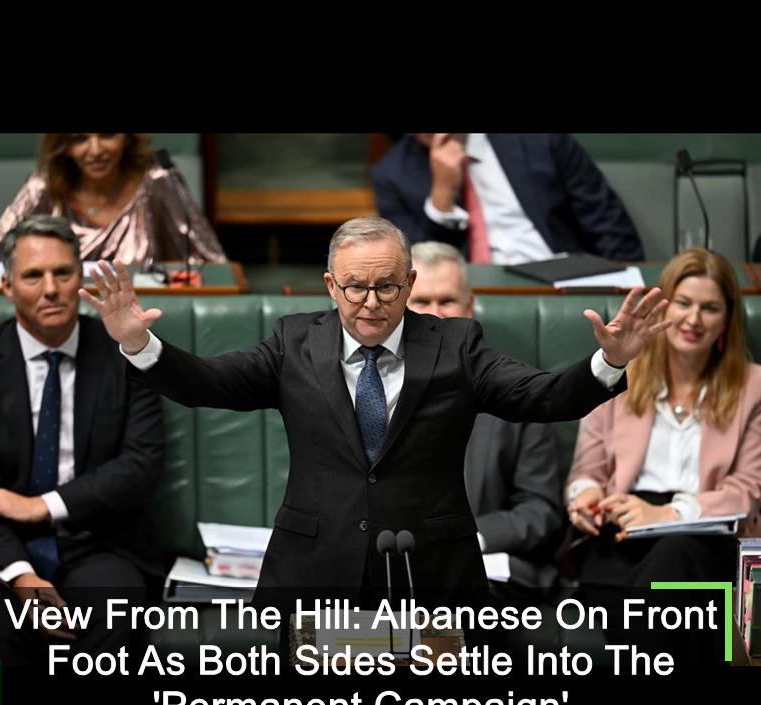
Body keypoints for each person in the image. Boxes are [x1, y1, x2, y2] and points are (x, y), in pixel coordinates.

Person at [81, 216, 667, 604]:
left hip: (432, 573)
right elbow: (207, 383)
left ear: (409, 284)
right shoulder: (293, 343)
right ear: (329, 286)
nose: (370, 303)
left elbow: (543, 395)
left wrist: (608, 361)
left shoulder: (456, 345)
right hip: (313, 569)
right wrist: (140, 344)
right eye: (355, 288)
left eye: (386, 286)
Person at [0, 215, 165, 666]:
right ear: (7, 286)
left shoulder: (125, 357)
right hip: (1, 545)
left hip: (96, 539)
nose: (51, 289)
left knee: (116, 617)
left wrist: (40, 506)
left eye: (63, 273)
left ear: (81, 279)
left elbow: (140, 466)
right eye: (33, 276)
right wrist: (21, 576)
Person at [566, 247, 761, 587]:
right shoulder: (618, 376)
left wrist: (669, 514)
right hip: (621, 529)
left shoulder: (754, 386)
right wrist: (585, 496)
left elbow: (748, 488)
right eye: (683, 303)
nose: (694, 319)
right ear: (662, 308)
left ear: (727, 320)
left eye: (710, 308)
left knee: (675, 555)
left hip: (704, 533)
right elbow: (587, 472)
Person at [407, 242, 563, 592]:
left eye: (447, 301)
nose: (435, 315)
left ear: (469, 305)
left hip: (484, 568)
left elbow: (540, 510)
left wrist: (464, 539)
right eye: (421, 302)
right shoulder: (369, 390)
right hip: (393, 561)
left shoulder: (519, 392)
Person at [372, 133, 644, 264]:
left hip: (562, 278)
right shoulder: (391, 174)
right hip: (466, 298)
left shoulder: (542, 139)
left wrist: (626, 291)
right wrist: (442, 196)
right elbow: (416, 267)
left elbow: (608, 223)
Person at [0, 133, 226, 268]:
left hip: (143, 323)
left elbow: (214, 264)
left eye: (107, 135)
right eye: (80, 138)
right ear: (63, 145)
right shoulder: (44, 187)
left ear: (127, 137)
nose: (96, 150)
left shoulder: (157, 180)